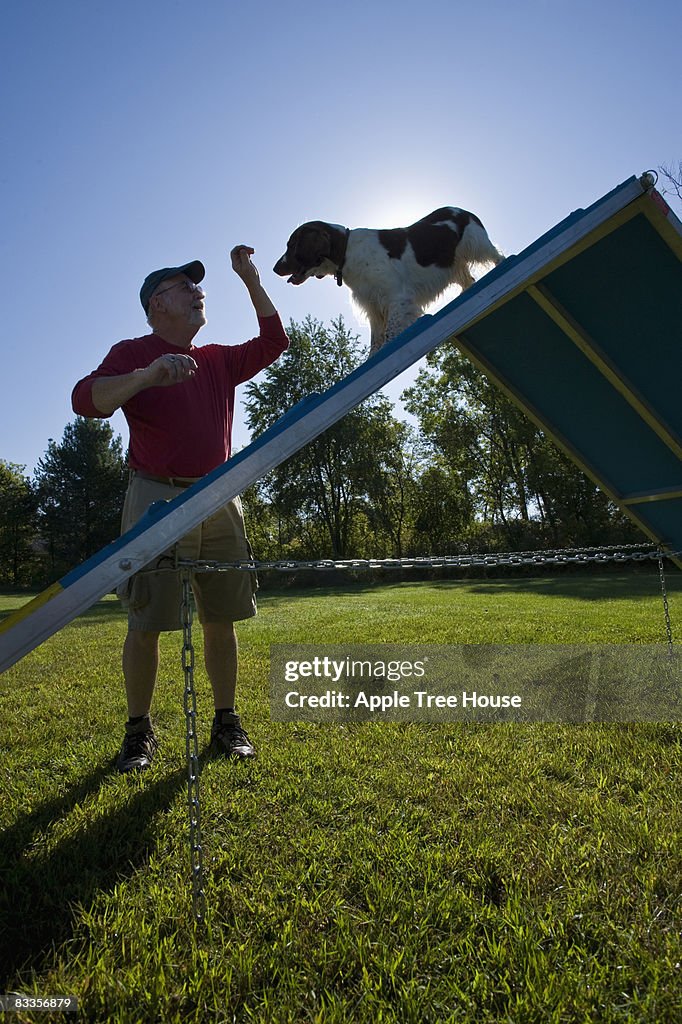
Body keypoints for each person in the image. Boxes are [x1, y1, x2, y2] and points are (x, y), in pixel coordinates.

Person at [72, 246, 289, 773]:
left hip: (219, 495)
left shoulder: (215, 358)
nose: (198, 292)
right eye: (183, 286)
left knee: (222, 616)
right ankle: (138, 732)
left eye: (198, 287)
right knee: (146, 619)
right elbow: (85, 400)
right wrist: (147, 376)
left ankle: (226, 723)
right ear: (156, 306)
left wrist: (252, 279)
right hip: (154, 497)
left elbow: (274, 343)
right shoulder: (132, 352)